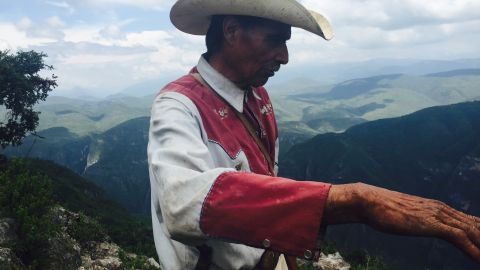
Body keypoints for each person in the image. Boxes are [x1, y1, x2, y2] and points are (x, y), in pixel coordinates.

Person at [147, 0, 480, 269]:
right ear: (232, 31)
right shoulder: (177, 105)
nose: (285, 57)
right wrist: (354, 200)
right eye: (275, 40)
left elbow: (266, 179)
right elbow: (181, 203)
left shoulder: (257, 95)